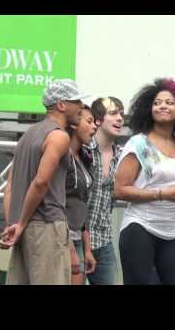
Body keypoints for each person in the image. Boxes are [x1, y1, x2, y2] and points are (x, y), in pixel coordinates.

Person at [0, 79, 88, 285]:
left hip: (24, 229)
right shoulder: (59, 136)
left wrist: (14, 223)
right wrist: (20, 224)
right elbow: (41, 182)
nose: (82, 107)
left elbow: (9, 187)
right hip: (46, 226)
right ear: (61, 105)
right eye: (77, 101)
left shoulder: (27, 135)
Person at [114, 78, 175, 284]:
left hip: (174, 232)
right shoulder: (138, 144)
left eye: (169, 102)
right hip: (140, 229)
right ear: (148, 109)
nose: (162, 106)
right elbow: (119, 190)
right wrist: (162, 194)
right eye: (157, 103)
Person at [85, 96, 124, 285]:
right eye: (113, 113)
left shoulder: (123, 156)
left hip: (104, 240)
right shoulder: (83, 148)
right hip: (75, 238)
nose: (120, 119)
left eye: (122, 114)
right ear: (98, 119)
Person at [65, 105, 97, 285]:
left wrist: (87, 249)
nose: (94, 127)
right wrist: (70, 249)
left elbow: (82, 205)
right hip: (61, 240)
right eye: (89, 121)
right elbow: (55, 203)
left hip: (78, 238)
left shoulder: (85, 158)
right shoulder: (62, 156)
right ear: (75, 123)